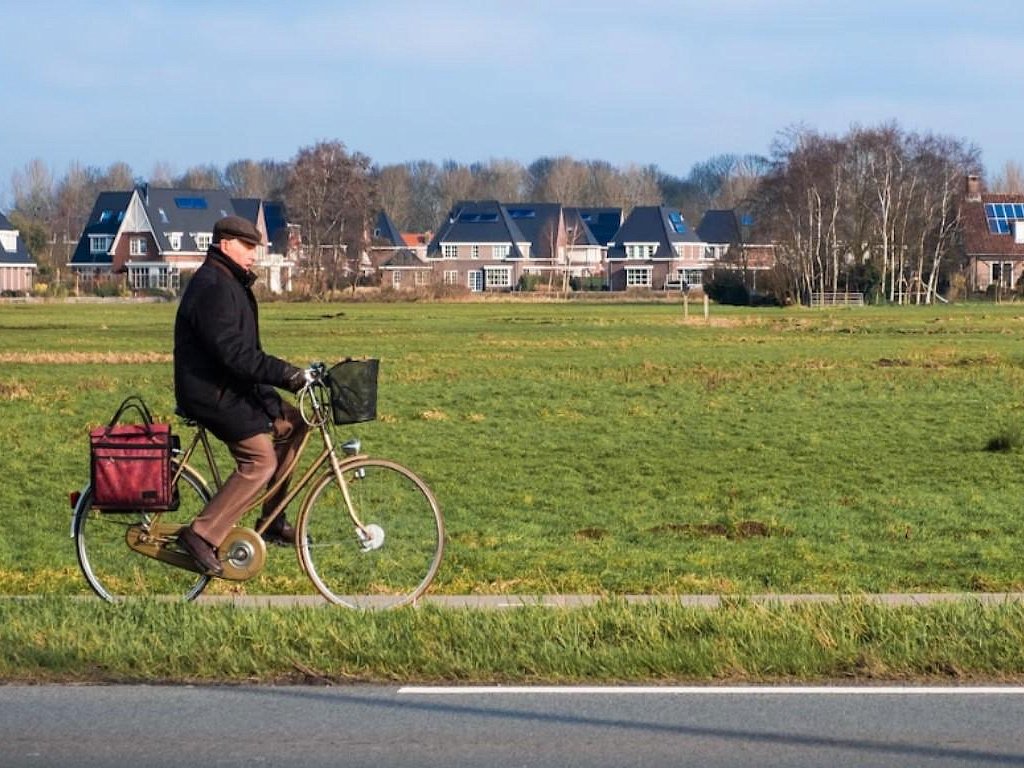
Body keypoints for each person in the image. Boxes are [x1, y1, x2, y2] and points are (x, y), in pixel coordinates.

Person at [173, 215, 309, 577]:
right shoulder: (213, 286)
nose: (254, 254)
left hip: (233, 384)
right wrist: (287, 374)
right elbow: (234, 354)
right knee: (260, 462)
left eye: (256, 247)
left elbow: (244, 355)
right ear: (224, 244)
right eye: (248, 246)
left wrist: (287, 379)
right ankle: (201, 533)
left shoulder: (230, 282)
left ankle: (274, 518)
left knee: (296, 423)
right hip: (212, 392)